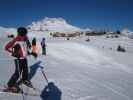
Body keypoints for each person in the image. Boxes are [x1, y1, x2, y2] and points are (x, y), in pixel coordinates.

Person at [4, 27, 32, 92]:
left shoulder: (25, 39)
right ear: (21, 33)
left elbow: (26, 46)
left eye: (26, 33)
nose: (26, 34)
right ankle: (10, 85)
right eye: (25, 33)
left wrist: (29, 50)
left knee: (25, 70)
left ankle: (24, 80)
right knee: (17, 72)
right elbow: (6, 47)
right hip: (18, 59)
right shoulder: (16, 40)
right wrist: (14, 53)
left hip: (24, 58)